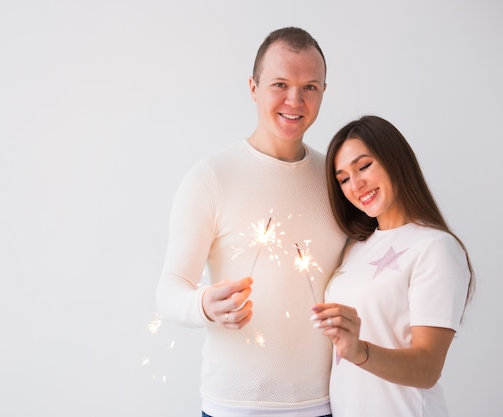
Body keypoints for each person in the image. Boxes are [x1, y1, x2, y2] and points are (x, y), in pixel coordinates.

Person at [156, 27, 346, 417]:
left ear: (324, 90)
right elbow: (168, 291)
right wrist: (205, 305)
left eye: (310, 87)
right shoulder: (211, 178)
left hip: (324, 405)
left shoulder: (338, 178)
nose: (295, 100)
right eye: (280, 84)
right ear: (253, 87)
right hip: (233, 407)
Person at [311, 115, 475, 416]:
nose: (356, 184)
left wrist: (359, 351)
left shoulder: (435, 248)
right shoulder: (354, 247)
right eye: (344, 178)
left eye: (364, 166)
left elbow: (428, 369)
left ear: (394, 160)